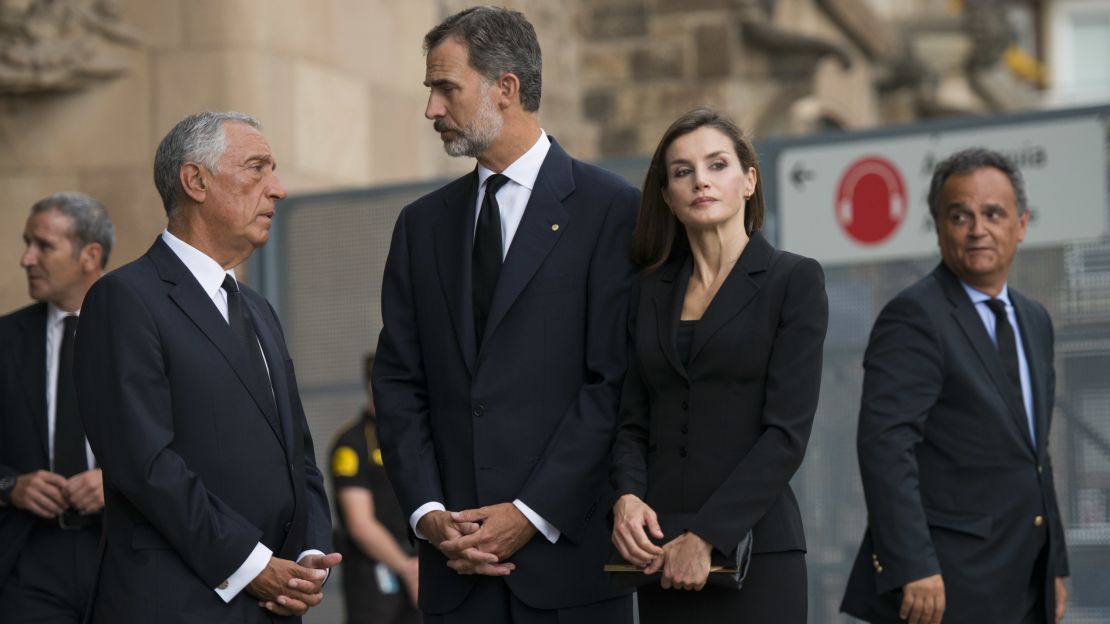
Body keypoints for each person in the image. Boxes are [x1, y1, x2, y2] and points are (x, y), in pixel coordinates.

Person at [372, 6, 639, 623]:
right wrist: (428, 514)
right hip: (455, 573)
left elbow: (614, 383)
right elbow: (398, 382)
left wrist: (531, 512)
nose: (431, 109)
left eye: (446, 88)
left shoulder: (610, 211)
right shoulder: (421, 227)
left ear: (506, 89)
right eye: (430, 90)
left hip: (570, 578)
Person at [73, 111, 340, 624]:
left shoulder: (259, 309)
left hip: (274, 602)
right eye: (257, 168)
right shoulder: (124, 298)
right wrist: (252, 563)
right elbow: (145, 463)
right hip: (176, 601)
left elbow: (297, 454)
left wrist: (308, 556)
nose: (277, 189)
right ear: (195, 180)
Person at [609, 107, 828, 622]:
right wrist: (627, 496)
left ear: (749, 180)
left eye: (717, 165)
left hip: (756, 550)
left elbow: (787, 434)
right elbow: (631, 420)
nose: (700, 181)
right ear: (667, 195)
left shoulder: (792, 281)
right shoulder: (646, 291)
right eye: (682, 171)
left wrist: (708, 537)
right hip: (658, 551)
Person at [840, 148, 1069, 624]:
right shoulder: (914, 316)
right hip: (942, 585)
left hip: (1025, 578)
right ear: (939, 226)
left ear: (1021, 225)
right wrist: (912, 564)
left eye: (993, 214)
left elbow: (1036, 455)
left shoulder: (1034, 319)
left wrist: (1055, 564)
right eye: (959, 215)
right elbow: (886, 446)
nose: (977, 228)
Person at [0, 192, 113, 623]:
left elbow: (189, 441)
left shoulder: (141, 335)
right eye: (26, 243)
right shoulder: (5, 340)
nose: (27, 259)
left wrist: (117, 484)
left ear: (90, 255)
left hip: (122, 553)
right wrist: (11, 485)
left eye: (43, 246)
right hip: (27, 562)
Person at [329, 352, 420, 624]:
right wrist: (407, 568)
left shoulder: (417, 436)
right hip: (374, 573)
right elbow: (360, 524)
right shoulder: (351, 442)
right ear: (372, 385)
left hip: (423, 564)